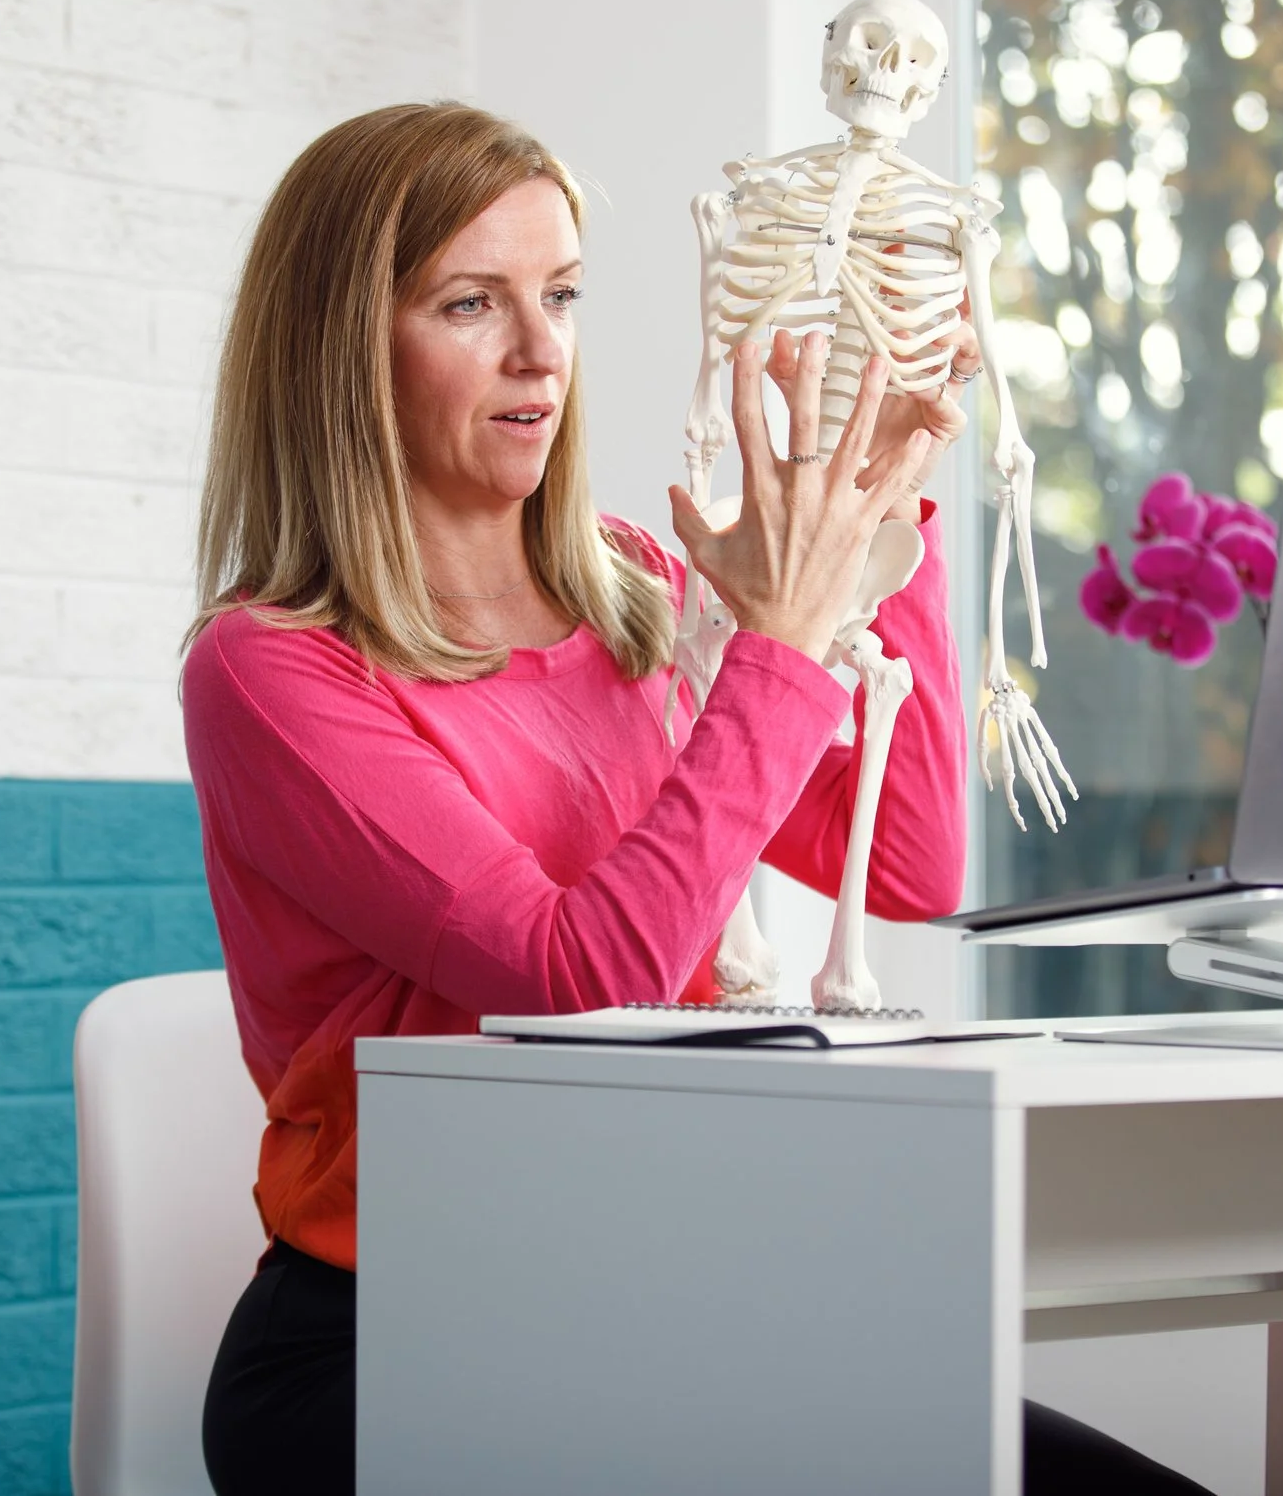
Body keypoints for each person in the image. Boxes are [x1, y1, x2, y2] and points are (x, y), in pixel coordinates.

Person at [181, 101, 1209, 1496]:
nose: (542, 351)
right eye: (472, 302)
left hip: (668, 1289)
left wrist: (871, 516)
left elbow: (907, 859)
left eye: (561, 295)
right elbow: (575, 976)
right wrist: (779, 648)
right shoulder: (273, 669)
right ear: (342, 346)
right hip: (395, 1344)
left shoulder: (630, 587)